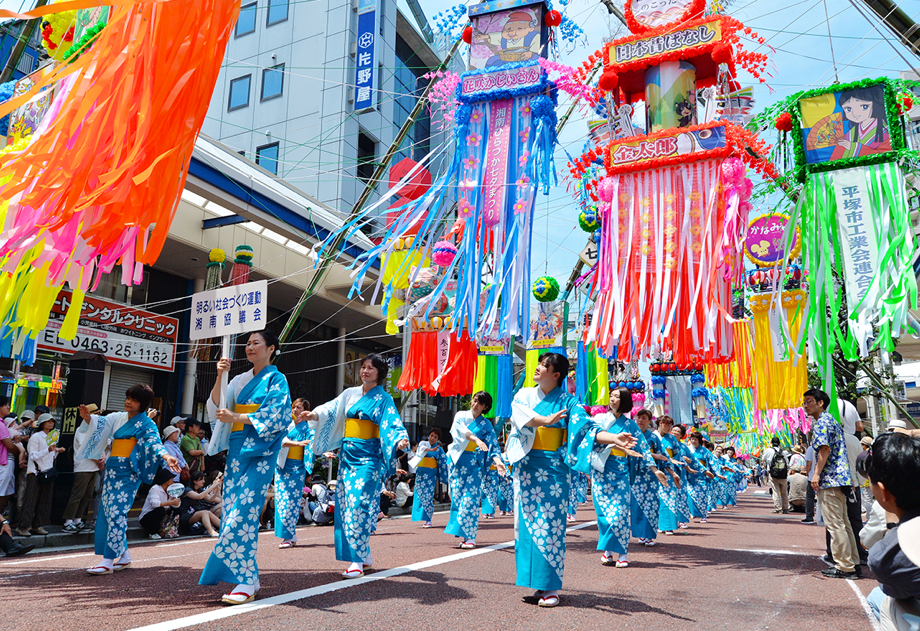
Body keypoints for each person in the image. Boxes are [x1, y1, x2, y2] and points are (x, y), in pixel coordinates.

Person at [507, 352, 636, 608]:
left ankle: (552, 586)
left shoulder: (569, 402)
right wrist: (545, 420)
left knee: (551, 527)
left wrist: (613, 438)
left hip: (553, 470)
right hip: (527, 466)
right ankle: (538, 582)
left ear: (556, 375)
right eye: (540, 364)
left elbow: (587, 430)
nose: (537, 369)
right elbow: (521, 417)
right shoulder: (523, 395)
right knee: (527, 527)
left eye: (544, 366)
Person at [199, 330, 291, 604]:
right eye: (248, 343)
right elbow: (217, 405)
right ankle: (248, 578)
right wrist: (219, 375)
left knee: (244, 513)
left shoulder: (277, 379)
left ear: (271, 348)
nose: (250, 347)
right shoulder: (238, 379)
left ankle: (247, 579)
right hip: (238, 449)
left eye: (256, 343)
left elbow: (276, 416)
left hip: (261, 450)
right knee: (232, 512)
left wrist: (237, 415)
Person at [306, 353, 410, 579]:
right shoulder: (349, 394)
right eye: (363, 367)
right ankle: (364, 555)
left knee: (359, 504)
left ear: (380, 373)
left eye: (371, 368)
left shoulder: (384, 399)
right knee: (345, 504)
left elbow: (391, 423)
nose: (365, 371)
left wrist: (399, 438)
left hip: (369, 458)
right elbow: (331, 410)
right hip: (347, 456)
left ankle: (356, 560)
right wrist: (314, 414)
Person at [78, 385, 180, 574]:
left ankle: (108, 560)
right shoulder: (117, 417)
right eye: (127, 397)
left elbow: (154, 443)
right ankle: (124, 556)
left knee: (116, 512)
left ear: (142, 403)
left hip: (128, 472)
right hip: (112, 470)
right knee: (108, 512)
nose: (128, 401)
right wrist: (88, 418)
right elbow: (99, 424)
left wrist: (166, 457)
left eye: (133, 399)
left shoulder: (147, 424)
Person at [590, 390, 666, 567]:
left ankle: (622, 553)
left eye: (617, 396)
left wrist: (655, 470)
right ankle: (608, 552)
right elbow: (589, 441)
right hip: (601, 469)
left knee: (619, 514)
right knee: (604, 515)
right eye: (611, 395)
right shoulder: (599, 420)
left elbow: (644, 449)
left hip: (620, 471)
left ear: (624, 401)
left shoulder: (631, 425)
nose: (613, 398)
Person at [864, 432, 920, 628]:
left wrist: (892, 526)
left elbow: (895, 589)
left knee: (883, 599)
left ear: (883, 491)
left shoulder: (887, 556)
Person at [804, 388, 860, 579]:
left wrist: (816, 474)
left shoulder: (822, 422)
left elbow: (824, 449)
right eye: (804, 402)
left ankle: (845, 566)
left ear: (820, 403)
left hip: (830, 480)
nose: (805, 406)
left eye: (809, 401)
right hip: (841, 479)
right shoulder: (832, 421)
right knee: (844, 523)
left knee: (835, 525)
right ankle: (853, 562)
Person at [444, 391, 506, 549]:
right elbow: (459, 431)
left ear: (485, 407)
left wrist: (498, 461)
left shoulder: (486, 425)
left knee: (470, 500)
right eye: (474, 400)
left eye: (480, 403)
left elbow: (493, 445)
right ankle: (463, 534)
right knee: (457, 498)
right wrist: (476, 439)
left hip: (474, 464)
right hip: (458, 462)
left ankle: (470, 537)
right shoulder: (460, 415)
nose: (475, 404)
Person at [15, 413, 65, 537]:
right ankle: (23, 526)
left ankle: (38, 525)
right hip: (35, 472)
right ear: (42, 423)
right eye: (48, 421)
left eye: (52, 421)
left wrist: (56, 451)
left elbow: (50, 457)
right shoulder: (36, 437)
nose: (51, 423)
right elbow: (32, 455)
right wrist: (48, 450)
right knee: (30, 500)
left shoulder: (52, 438)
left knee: (45, 500)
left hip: (47, 472)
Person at [275, 397, 315, 548]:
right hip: (282, 467)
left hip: (297, 468)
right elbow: (280, 440)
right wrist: (297, 443)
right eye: (294, 407)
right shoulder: (286, 424)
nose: (295, 410)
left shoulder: (309, 428)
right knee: (281, 501)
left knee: (291, 502)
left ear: (305, 411)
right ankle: (289, 535)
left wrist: (323, 453)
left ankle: (288, 536)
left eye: (299, 408)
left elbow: (313, 445)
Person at [63, 404, 106, 532]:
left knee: (87, 495)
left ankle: (78, 520)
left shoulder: (95, 429)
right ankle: (68, 521)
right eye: (96, 414)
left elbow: (102, 445)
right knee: (78, 494)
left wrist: (102, 457)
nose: (98, 416)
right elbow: (85, 447)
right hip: (83, 466)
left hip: (93, 467)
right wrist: (99, 459)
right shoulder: (82, 429)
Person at [631, 409, 668, 542]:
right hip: (635, 475)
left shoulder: (653, 437)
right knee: (637, 505)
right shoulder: (631, 435)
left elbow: (662, 454)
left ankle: (649, 536)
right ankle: (641, 533)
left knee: (651, 506)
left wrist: (670, 470)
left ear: (649, 421)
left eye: (644, 418)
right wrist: (653, 455)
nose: (640, 420)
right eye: (638, 417)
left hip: (651, 476)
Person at [410, 427, 449, 528]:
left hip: (431, 474)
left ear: (437, 439)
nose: (432, 438)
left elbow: (444, 461)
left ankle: (428, 519)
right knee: (419, 495)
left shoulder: (439, 449)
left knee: (428, 496)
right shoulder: (423, 444)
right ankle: (419, 516)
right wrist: (431, 449)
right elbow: (421, 450)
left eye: (435, 437)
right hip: (420, 473)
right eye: (431, 435)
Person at [656, 416, 684, 534]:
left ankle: (667, 526)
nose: (669, 428)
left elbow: (678, 454)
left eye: (670, 426)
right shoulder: (651, 436)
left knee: (669, 498)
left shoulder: (672, 439)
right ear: (661, 423)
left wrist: (673, 462)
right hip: (653, 471)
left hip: (668, 472)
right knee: (654, 499)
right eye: (667, 425)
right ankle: (657, 524)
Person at [139, 468, 181, 539]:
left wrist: (175, 497)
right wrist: (171, 502)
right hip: (147, 518)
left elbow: (176, 506)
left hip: (163, 516)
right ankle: (152, 533)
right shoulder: (155, 489)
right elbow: (155, 504)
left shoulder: (170, 490)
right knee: (160, 510)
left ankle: (171, 530)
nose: (172, 480)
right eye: (171, 478)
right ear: (166, 480)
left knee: (177, 510)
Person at [179, 471, 222, 537]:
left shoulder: (199, 489)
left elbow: (211, 499)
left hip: (195, 512)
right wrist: (212, 486)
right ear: (194, 481)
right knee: (204, 512)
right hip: (186, 515)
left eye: (204, 479)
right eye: (201, 479)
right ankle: (211, 531)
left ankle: (225, 528)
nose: (203, 481)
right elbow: (199, 496)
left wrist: (217, 491)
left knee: (208, 513)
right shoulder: (188, 490)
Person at [686, 432, 715, 523]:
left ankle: (703, 515)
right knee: (690, 495)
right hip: (689, 475)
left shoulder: (705, 451)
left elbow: (713, 462)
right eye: (692, 439)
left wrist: (717, 472)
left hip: (701, 475)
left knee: (702, 496)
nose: (693, 441)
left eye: (695, 439)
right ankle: (692, 512)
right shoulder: (687, 449)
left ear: (699, 440)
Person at [0, 396, 16, 525]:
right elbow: (9, 445)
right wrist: (19, 451)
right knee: (2, 492)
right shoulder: (1, 425)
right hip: (3, 462)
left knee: (7, 491)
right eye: (6, 405)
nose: (8, 407)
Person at [763, 436, 789, 514]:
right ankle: (785, 508)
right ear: (779, 443)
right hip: (783, 473)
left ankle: (778, 508)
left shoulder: (768, 450)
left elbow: (763, 459)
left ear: (771, 443)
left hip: (773, 473)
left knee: (776, 491)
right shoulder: (783, 452)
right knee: (784, 492)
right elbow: (787, 463)